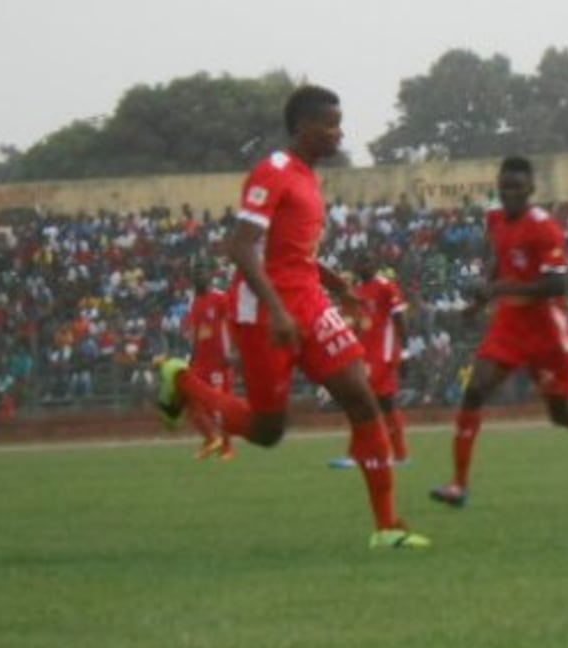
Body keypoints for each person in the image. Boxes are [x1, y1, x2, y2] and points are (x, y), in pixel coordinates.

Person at [154, 85, 429, 550]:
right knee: (267, 430)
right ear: (304, 127)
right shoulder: (274, 172)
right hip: (264, 311)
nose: (339, 133)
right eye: (331, 124)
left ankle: (387, 527)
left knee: (362, 400)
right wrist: (278, 310)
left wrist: (337, 285)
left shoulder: (308, 177)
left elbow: (289, 251)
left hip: (310, 302)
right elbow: (241, 247)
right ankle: (182, 383)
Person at [429, 156, 568, 508]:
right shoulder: (496, 219)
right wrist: (480, 303)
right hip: (510, 324)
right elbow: (500, 261)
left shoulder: (545, 228)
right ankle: (459, 484)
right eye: (504, 186)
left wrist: (496, 290)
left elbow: (557, 283)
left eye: (516, 187)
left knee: (559, 413)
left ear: (530, 189)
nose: (508, 192)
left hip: (546, 328)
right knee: (475, 390)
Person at [328, 254, 411, 469]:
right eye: (359, 263)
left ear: (374, 265)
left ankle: (359, 454)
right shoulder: (357, 291)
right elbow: (358, 322)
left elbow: (400, 318)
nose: (361, 266)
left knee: (364, 401)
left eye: (366, 262)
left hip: (383, 355)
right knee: (382, 402)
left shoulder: (385, 287)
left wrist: (405, 353)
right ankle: (398, 455)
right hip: (364, 355)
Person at [184, 265, 235, 461]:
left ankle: (227, 448)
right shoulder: (196, 302)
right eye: (196, 275)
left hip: (218, 362)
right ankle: (210, 439)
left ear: (209, 276)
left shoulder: (220, 298)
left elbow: (231, 326)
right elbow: (196, 334)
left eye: (202, 274)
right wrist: (191, 359)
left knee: (219, 406)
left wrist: (231, 353)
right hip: (200, 362)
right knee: (189, 400)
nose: (199, 278)